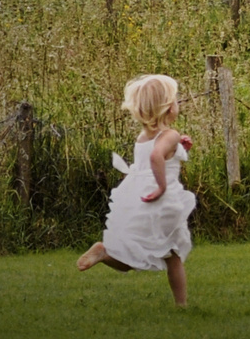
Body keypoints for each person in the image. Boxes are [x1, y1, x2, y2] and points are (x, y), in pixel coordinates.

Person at [76, 74, 196, 307]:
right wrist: (161, 186)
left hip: (138, 198)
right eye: (176, 100)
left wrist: (180, 146)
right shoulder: (169, 135)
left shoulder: (143, 137)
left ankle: (104, 253)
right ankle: (181, 304)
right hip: (161, 201)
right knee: (173, 255)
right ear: (168, 107)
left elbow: (156, 150)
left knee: (131, 256)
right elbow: (156, 155)